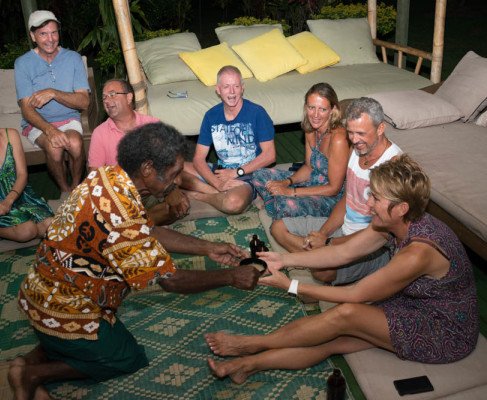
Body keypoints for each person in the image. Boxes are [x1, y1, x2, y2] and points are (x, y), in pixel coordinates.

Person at [8, 122, 260, 400]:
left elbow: (146, 230)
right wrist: (231, 277)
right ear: (148, 169)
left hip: (37, 291)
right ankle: (33, 375)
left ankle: (30, 360)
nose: (178, 182)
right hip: (67, 307)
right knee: (128, 358)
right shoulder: (123, 214)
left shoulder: (108, 177)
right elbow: (171, 281)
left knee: (94, 341)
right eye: (174, 174)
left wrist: (207, 248)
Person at [205, 154, 479, 384]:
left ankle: (250, 344)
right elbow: (342, 252)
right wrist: (284, 260)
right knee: (331, 337)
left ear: (401, 208)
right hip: (412, 304)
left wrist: (291, 285)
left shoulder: (418, 252)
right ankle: (247, 364)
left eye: (377, 199)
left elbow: (356, 294)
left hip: (444, 329)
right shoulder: (393, 223)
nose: (369, 203)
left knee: (345, 315)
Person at [272, 97, 402, 286]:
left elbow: (383, 234)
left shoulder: (394, 166)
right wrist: (323, 234)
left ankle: (318, 265)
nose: (355, 140)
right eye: (351, 133)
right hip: (343, 228)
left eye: (361, 133)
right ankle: (317, 260)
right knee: (278, 227)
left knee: (322, 270)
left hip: (371, 244)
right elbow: (347, 200)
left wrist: (328, 244)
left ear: (380, 128)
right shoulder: (357, 150)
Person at [88, 78, 189, 225]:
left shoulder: (152, 124)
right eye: (104, 97)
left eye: (112, 94)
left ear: (129, 97)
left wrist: (172, 191)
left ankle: (137, 224)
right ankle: (138, 223)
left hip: (152, 192)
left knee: (179, 205)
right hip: (121, 196)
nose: (107, 100)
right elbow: (94, 177)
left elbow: (169, 164)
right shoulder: (100, 133)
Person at [14, 10, 90, 197]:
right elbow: (26, 108)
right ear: (33, 36)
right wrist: (50, 130)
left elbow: (84, 102)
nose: (50, 39)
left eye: (53, 32)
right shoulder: (23, 63)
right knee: (54, 148)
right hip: (37, 122)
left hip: (68, 118)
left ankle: (75, 187)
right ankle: (64, 190)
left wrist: (53, 93)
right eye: (43, 34)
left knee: (75, 144)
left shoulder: (73, 58)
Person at [181, 65, 276, 214]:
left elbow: (270, 155)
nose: (232, 92)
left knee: (233, 204)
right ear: (218, 89)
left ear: (242, 88)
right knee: (172, 168)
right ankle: (214, 190)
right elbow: (199, 159)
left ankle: (199, 195)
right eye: (226, 87)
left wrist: (236, 172)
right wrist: (217, 183)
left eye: (236, 86)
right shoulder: (211, 115)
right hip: (221, 172)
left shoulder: (257, 112)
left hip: (248, 174)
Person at [252, 83, 350, 220]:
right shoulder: (310, 128)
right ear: (306, 106)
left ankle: (278, 207)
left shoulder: (339, 139)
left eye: (322, 109)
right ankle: (276, 206)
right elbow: (308, 167)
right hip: (310, 183)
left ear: (333, 109)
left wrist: (292, 192)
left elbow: (334, 188)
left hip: (330, 197)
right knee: (259, 174)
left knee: (287, 205)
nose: (315, 115)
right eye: (311, 107)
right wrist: (286, 182)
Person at [0, 99, 53, 242]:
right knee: (27, 231)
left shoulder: (10, 135)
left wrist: (8, 201)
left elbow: (22, 175)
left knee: (51, 226)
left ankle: (26, 225)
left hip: (19, 194)